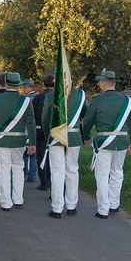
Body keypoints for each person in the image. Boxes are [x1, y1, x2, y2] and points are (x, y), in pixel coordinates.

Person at [82, 69, 131, 219]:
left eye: (100, 82)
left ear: (104, 83)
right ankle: (114, 204)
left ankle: (103, 209)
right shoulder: (126, 100)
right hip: (122, 142)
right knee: (117, 172)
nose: (99, 84)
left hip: (104, 142)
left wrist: (86, 136)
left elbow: (87, 122)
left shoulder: (96, 100)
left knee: (102, 174)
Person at [0, 72, 37, 211]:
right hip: (19, 141)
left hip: (1, 140)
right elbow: (31, 123)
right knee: (18, 168)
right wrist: (32, 143)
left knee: (4, 170)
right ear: (18, 85)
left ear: (5, 84)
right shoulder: (26, 101)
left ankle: (6, 202)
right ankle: (18, 199)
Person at [42, 82, 86, 218]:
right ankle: (71, 206)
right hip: (74, 137)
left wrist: (48, 135)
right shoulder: (80, 95)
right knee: (72, 171)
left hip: (56, 138)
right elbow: (83, 113)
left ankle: (57, 208)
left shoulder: (50, 96)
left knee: (57, 172)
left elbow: (45, 119)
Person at [33, 73, 54, 191]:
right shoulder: (57, 97)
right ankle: (52, 183)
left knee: (41, 156)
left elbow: (33, 114)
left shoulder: (37, 98)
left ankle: (43, 182)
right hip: (53, 130)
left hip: (39, 129)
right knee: (53, 158)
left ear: (43, 84)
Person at [22, 78, 38, 183]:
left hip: (27, 128)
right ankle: (32, 176)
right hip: (35, 127)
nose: (24, 89)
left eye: (25, 87)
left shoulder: (26, 99)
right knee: (33, 155)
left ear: (30, 88)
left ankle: (24, 173)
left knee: (25, 154)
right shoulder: (37, 97)